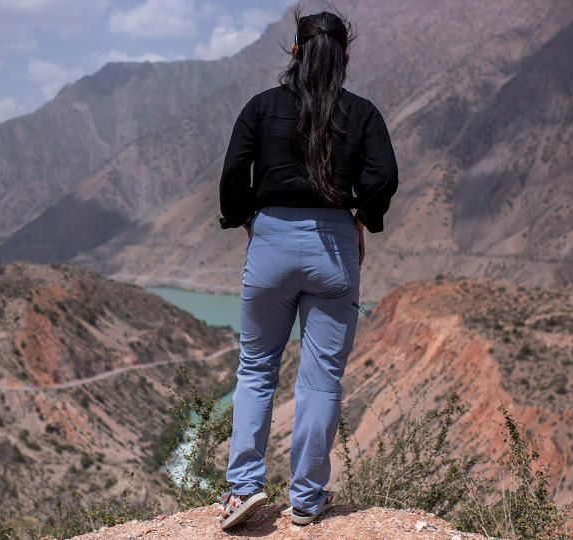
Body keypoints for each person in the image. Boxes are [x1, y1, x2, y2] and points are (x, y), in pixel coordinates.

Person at [216, 8, 398, 530]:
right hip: (335, 248)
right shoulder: (362, 114)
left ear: (294, 51)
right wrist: (363, 216)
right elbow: (384, 174)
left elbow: (233, 170)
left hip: (270, 241)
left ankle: (244, 489)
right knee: (320, 382)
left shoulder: (262, 106)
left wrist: (243, 216)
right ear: (344, 57)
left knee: (256, 369)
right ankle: (306, 499)